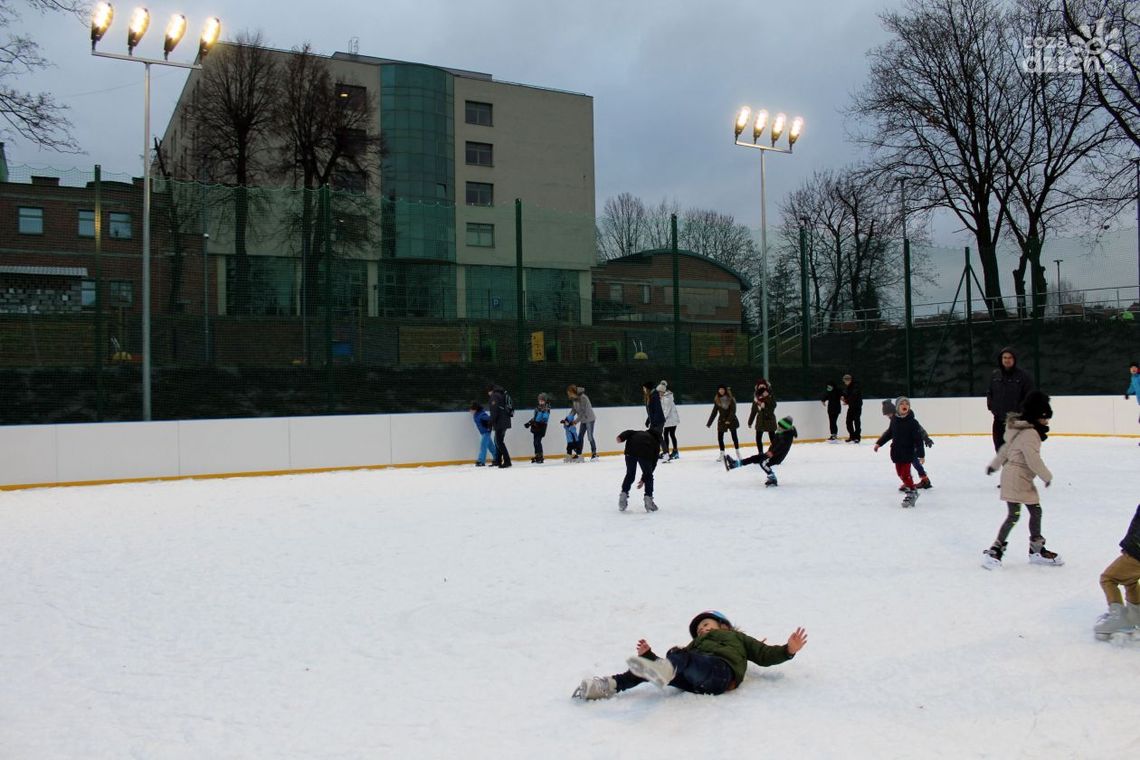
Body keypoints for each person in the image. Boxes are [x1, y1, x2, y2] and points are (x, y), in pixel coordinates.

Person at [572, 610, 808, 701]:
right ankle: (608, 685)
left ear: (724, 625)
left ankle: (663, 668)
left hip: (721, 673)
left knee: (678, 657)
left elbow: (765, 654)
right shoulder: (694, 647)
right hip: (696, 681)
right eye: (699, 629)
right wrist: (650, 656)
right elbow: (676, 664)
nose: (702, 629)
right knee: (667, 660)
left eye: (706, 624)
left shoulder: (736, 639)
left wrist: (788, 650)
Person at [982, 390, 1062, 568]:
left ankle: (1030, 549)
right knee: (1021, 514)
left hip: (1012, 475)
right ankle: (1002, 551)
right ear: (1037, 416)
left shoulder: (1018, 428)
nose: (1047, 421)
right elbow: (1032, 459)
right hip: (1019, 477)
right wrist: (1046, 476)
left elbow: (1004, 450)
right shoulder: (1031, 433)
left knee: (1023, 513)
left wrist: (994, 465)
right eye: (1045, 418)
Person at [1093, 504, 1140, 640]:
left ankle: (1117, 618)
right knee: (1130, 580)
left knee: (1108, 579)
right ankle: (1136, 615)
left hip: (1135, 554)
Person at [873, 396, 926, 507]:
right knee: (900, 473)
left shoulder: (913, 423)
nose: (905, 405)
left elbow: (918, 439)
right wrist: (879, 443)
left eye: (907, 403)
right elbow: (889, 433)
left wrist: (921, 455)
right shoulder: (894, 420)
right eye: (902, 403)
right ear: (897, 407)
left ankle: (911, 492)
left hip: (908, 452)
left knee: (906, 473)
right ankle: (910, 487)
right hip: (897, 452)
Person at [724, 416, 797, 487]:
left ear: (785, 427)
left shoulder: (787, 436)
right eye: (779, 425)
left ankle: (772, 477)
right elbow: (775, 442)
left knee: (763, 462)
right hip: (772, 453)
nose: (778, 427)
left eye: (780, 426)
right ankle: (735, 464)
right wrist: (770, 451)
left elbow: (781, 446)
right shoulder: (781, 432)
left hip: (777, 456)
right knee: (754, 458)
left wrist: (772, 452)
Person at [986, 346, 1034, 452]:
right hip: (998, 420)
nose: (1007, 360)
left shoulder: (1023, 376)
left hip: (1016, 421)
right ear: (1001, 359)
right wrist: (992, 407)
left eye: (1010, 357)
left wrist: (1021, 412)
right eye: (1005, 357)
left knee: (1016, 451)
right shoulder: (995, 375)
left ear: (1014, 359)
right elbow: (990, 392)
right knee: (1000, 450)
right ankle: (1007, 468)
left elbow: (1030, 397)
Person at [881, 398, 934, 489]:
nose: (889, 416)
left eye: (889, 414)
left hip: (910, 446)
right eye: (887, 415)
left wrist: (926, 438)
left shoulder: (908, 419)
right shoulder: (896, 419)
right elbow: (891, 431)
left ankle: (922, 480)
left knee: (914, 462)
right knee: (912, 463)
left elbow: (919, 429)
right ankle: (911, 480)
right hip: (902, 448)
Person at [616, 427, 662, 512]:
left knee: (630, 474)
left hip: (630, 451)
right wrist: (644, 478)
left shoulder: (638, 432)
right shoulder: (656, 442)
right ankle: (648, 500)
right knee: (649, 476)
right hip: (645, 453)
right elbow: (653, 464)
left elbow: (628, 432)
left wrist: (621, 437)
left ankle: (623, 495)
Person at [705, 384, 741, 462]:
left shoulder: (731, 399)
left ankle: (738, 452)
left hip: (731, 420)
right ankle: (722, 454)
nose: (721, 391)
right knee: (720, 437)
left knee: (734, 436)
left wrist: (728, 420)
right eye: (719, 389)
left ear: (725, 390)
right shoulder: (717, 400)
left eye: (722, 389)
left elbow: (733, 411)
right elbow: (714, 412)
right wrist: (709, 423)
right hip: (722, 420)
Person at [567, 384, 597, 460]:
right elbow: (573, 410)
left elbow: (583, 412)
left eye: (570, 393)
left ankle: (594, 453)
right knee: (580, 437)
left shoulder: (583, 397)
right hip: (583, 420)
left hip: (589, 419)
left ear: (573, 392)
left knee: (590, 437)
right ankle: (579, 454)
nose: (569, 394)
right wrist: (568, 419)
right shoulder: (574, 399)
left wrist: (575, 421)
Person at [747, 378, 778, 452]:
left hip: (769, 419)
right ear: (757, 388)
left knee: (772, 438)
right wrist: (750, 422)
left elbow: (774, 405)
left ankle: (775, 452)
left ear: (766, 387)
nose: (761, 388)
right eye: (760, 387)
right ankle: (760, 453)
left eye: (763, 386)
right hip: (760, 420)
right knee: (758, 438)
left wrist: (767, 398)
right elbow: (753, 411)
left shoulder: (770, 395)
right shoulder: (756, 399)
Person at [487, 384, 512, 468]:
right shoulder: (501, 394)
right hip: (504, 422)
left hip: (500, 423)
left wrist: (490, 422)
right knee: (497, 441)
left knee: (499, 442)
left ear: (490, 391)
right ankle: (498, 460)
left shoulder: (494, 396)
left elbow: (494, 411)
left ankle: (507, 461)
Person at [524, 393, 551, 464]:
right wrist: (529, 423)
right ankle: (537, 455)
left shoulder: (546, 408)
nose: (541, 402)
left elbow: (545, 418)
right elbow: (535, 417)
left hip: (541, 427)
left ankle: (540, 456)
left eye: (542, 401)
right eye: (540, 400)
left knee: (537, 441)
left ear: (545, 401)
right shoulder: (537, 408)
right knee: (535, 442)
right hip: (535, 427)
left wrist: (539, 421)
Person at [658, 380, 681, 461]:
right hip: (668, 420)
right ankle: (666, 451)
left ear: (663, 391)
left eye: (660, 392)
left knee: (671, 434)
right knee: (666, 434)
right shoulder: (662, 398)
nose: (659, 393)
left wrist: (661, 419)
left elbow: (666, 410)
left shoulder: (668, 398)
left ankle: (675, 452)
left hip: (672, 420)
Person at [469, 402, 497, 467]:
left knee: (483, 446)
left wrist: (489, 427)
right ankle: (497, 457)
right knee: (491, 447)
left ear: (475, 409)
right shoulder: (476, 415)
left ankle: (481, 461)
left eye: (471, 410)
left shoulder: (482, 415)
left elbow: (490, 419)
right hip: (483, 432)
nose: (470, 411)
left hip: (486, 432)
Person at [841, 373, 863, 443]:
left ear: (849, 380)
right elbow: (848, 395)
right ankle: (852, 436)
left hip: (857, 406)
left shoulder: (855, 386)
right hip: (851, 407)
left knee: (856, 422)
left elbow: (854, 396)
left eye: (845, 381)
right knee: (848, 422)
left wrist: (847, 401)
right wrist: (844, 397)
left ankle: (857, 437)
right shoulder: (848, 387)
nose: (845, 383)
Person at [1126, 361, 1140, 446]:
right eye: (1131, 368)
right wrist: (1128, 393)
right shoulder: (1133, 378)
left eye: (1135, 367)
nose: (1133, 369)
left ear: (1138, 369)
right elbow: (1132, 386)